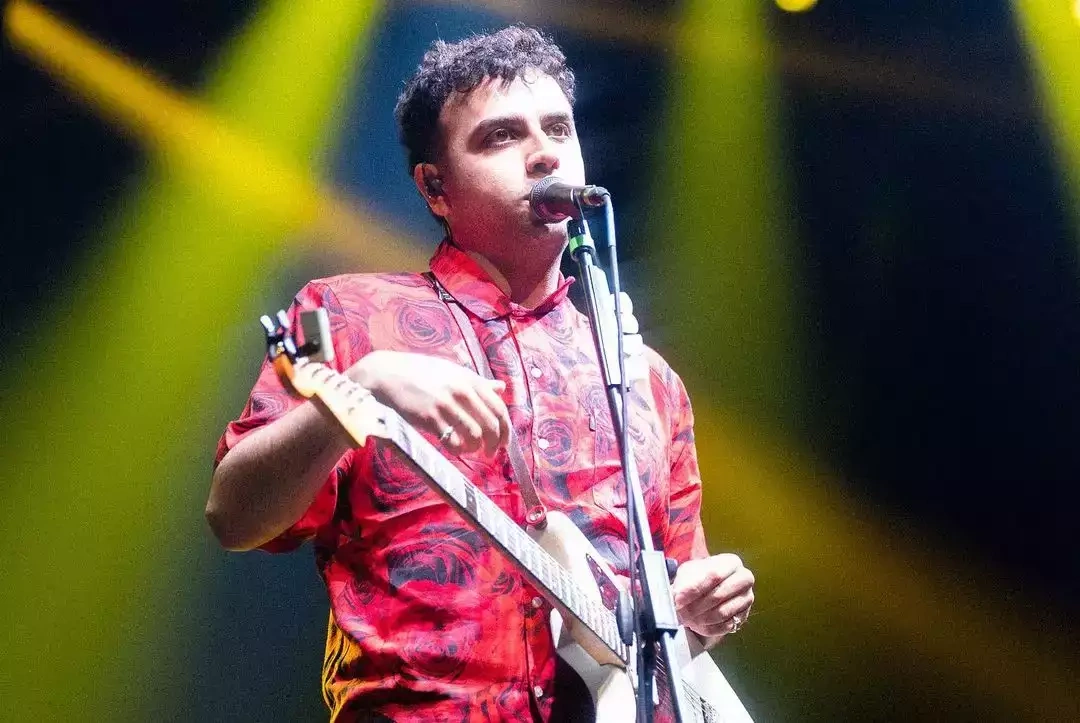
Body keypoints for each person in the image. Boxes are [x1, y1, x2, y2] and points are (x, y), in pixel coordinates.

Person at [206, 25, 755, 722]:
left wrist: (702, 608)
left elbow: (681, 607)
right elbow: (234, 515)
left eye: (559, 128)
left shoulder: (646, 377)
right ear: (435, 187)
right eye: (502, 136)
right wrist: (362, 388)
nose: (545, 152)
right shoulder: (346, 315)